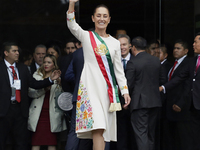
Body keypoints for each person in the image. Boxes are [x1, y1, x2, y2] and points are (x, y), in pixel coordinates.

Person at [67, 1, 131, 150]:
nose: (101, 19)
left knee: (102, 130)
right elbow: (72, 24)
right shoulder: (86, 36)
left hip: (107, 92)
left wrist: (125, 90)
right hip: (90, 90)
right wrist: (71, 4)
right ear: (93, 18)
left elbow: (118, 70)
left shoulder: (115, 43)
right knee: (98, 125)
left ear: (109, 19)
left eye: (105, 16)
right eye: (98, 16)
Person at [0, 42, 61, 150]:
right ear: (6, 53)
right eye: (14, 51)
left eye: (18, 51)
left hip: (20, 110)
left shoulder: (23, 68)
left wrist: (50, 80)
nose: (17, 53)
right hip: (4, 110)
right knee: (2, 141)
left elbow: (33, 84)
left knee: (21, 142)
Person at [126, 36, 163, 150]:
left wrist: (125, 101)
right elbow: (162, 79)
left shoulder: (133, 62)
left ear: (133, 48)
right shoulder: (156, 60)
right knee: (150, 134)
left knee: (141, 134)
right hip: (155, 101)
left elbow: (129, 84)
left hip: (139, 103)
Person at [28, 54, 67, 150]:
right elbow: (31, 93)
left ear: (54, 65)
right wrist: (44, 89)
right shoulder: (36, 75)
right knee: (36, 142)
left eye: (49, 62)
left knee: (51, 143)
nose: (46, 64)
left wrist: (60, 84)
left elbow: (63, 98)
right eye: (44, 62)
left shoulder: (58, 77)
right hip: (38, 115)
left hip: (52, 115)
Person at [162, 40, 192, 150]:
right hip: (169, 104)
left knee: (181, 137)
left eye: (178, 48)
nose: (175, 50)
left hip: (180, 105)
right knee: (171, 136)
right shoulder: (173, 64)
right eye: (174, 48)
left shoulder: (188, 63)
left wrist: (180, 103)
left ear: (186, 51)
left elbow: (187, 86)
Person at [110, 34, 133, 150]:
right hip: (116, 105)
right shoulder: (110, 62)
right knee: (120, 135)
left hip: (134, 105)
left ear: (130, 46)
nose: (122, 47)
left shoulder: (136, 61)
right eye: (119, 45)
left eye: (124, 44)